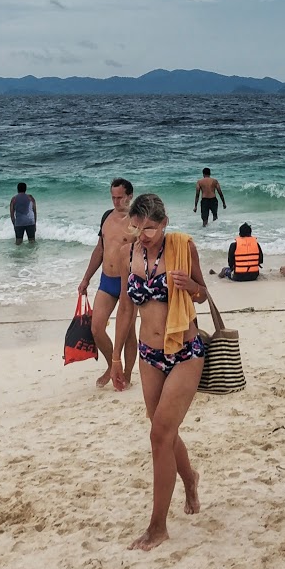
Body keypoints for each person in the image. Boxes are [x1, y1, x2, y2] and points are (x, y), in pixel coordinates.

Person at [112, 193, 206, 550]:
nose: (144, 234)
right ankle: (190, 479)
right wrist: (117, 358)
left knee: (159, 435)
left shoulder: (183, 248)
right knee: (162, 433)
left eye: (151, 228)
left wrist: (190, 287)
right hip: (149, 354)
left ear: (164, 223)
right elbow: (125, 308)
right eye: (139, 227)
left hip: (185, 351)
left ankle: (157, 527)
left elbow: (202, 293)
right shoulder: (128, 253)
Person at [77, 178, 137, 390]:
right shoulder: (106, 217)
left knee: (128, 332)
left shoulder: (137, 220)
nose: (116, 201)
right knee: (96, 328)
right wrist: (86, 278)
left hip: (128, 283)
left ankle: (126, 373)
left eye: (120, 197)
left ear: (129, 195)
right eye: (113, 197)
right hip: (106, 280)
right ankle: (112, 366)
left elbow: (145, 253)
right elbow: (100, 249)